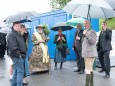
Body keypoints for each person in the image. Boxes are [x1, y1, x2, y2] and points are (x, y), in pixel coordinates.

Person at [7, 22, 26, 86]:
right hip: (17, 56)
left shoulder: (18, 34)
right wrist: (19, 55)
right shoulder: (11, 35)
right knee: (20, 73)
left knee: (15, 72)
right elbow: (13, 47)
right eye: (16, 26)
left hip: (20, 55)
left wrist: (23, 33)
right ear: (13, 26)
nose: (18, 27)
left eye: (19, 26)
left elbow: (22, 43)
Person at [82, 20, 97, 86]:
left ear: (88, 24)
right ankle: (92, 84)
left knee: (87, 70)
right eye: (84, 24)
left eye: (85, 23)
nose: (84, 25)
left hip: (90, 54)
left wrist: (86, 34)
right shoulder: (86, 31)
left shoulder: (92, 31)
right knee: (90, 69)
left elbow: (93, 41)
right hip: (86, 54)